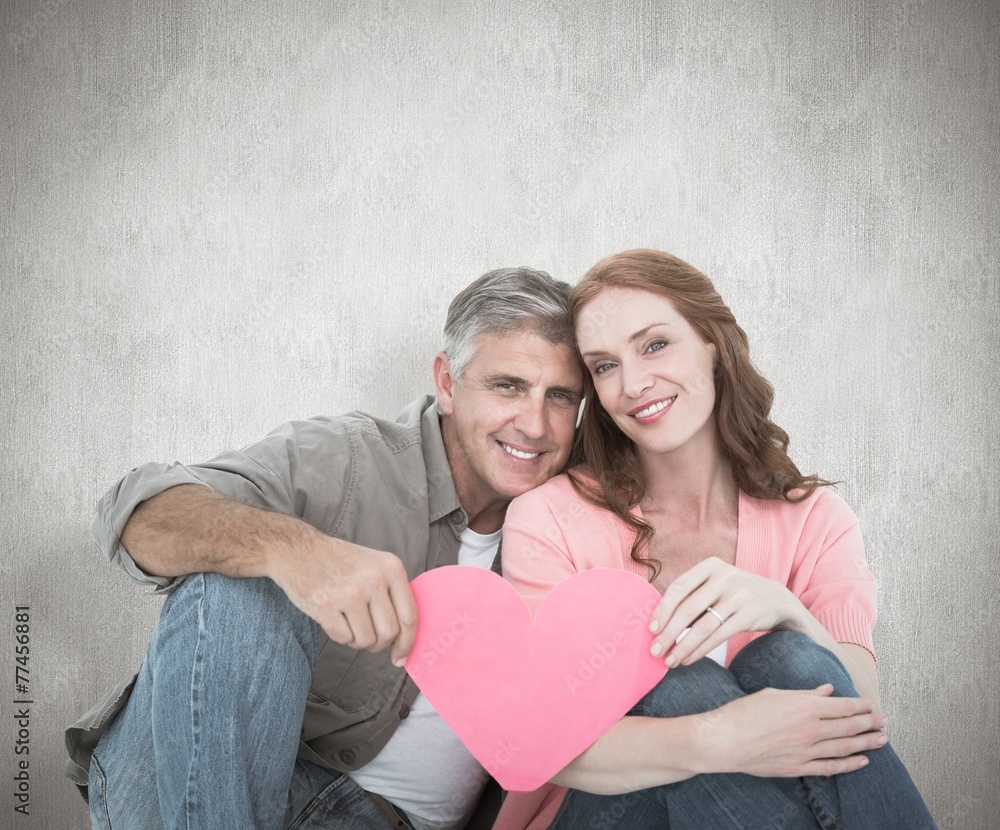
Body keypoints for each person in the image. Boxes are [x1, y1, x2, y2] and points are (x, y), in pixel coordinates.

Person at [65, 266, 586, 830]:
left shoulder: (579, 522)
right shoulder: (347, 458)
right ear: (447, 382)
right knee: (234, 583)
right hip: (210, 780)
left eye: (560, 396)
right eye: (508, 385)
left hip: (378, 819)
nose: (535, 424)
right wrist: (295, 551)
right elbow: (138, 511)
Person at [494, 249, 938, 829]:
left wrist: (787, 611)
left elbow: (863, 716)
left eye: (654, 345)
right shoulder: (549, 518)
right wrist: (719, 739)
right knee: (678, 680)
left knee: (787, 653)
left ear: (713, 343)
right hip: (600, 812)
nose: (633, 383)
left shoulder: (816, 520)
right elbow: (538, 743)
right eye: (603, 366)